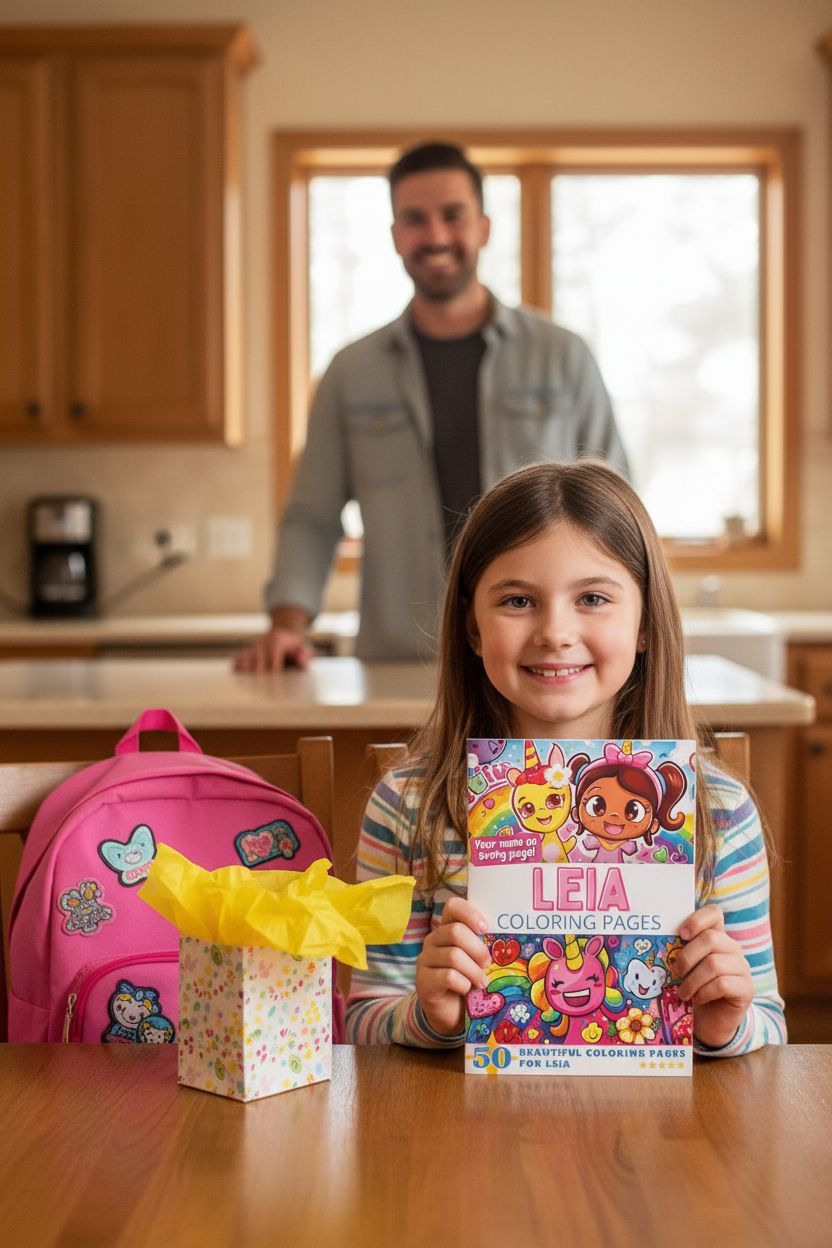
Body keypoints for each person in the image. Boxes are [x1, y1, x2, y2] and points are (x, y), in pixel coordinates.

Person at [345, 459, 786, 1056]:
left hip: (659, 1114)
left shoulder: (719, 813)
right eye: (518, 600)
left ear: (645, 624)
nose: (555, 632)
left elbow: (769, 1026)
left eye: (593, 598)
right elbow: (362, 1023)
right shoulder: (407, 807)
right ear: (472, 628)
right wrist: (432, 1016)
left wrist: (724, 1024)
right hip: (468, 1115)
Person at [235, 142, 628, 671]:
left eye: (453, 215)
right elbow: (312, 516)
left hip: (540, 661)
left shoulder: (562, 356)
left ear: (483, 227)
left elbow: (615, 506)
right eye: (415, 219)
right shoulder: (351, 372)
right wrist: (287, 625)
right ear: (396, 236)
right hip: (401, 659)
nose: (436, 236)